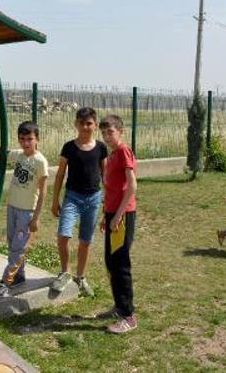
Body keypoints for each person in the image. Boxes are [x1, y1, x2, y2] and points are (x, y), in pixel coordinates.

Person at [0, 121, 49, 300]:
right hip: (13, 207)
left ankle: (6, 282)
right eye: (22, 139)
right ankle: (18, 276)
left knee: (18, 247)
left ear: (37, 139)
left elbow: (44, 191)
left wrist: (36, 218)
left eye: (29, 139)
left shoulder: (40, 162)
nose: (25, 143)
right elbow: (1, 150)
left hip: (27, 211)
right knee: (11, 242)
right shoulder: (18, 155)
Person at [51, 107, 107, 297]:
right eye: (81, 123)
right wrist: (55, 200)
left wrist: (108, 202)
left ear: (95, 125)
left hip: (93, 200)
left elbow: (105, 176)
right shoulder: (69, 147)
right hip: (72, 198)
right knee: (63, 235)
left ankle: (81, 277)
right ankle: (65, 273)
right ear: (76, 124)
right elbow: (59, 175)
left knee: (85, 241)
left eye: (89, 123)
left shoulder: (101, 148)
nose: (85, 127)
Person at [98, 115, 139, 334]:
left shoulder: (123, 151)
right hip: (113, 214)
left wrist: (118, 216)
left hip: (123, 215)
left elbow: (132, 187)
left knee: (120, 264)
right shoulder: (112, 154)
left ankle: (128, 316)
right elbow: (113, 189)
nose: (106, 136)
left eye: (110, 132)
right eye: (103, 133)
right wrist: (107, 215)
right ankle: (119, 307)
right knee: (111, 261)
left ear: (120, 132)